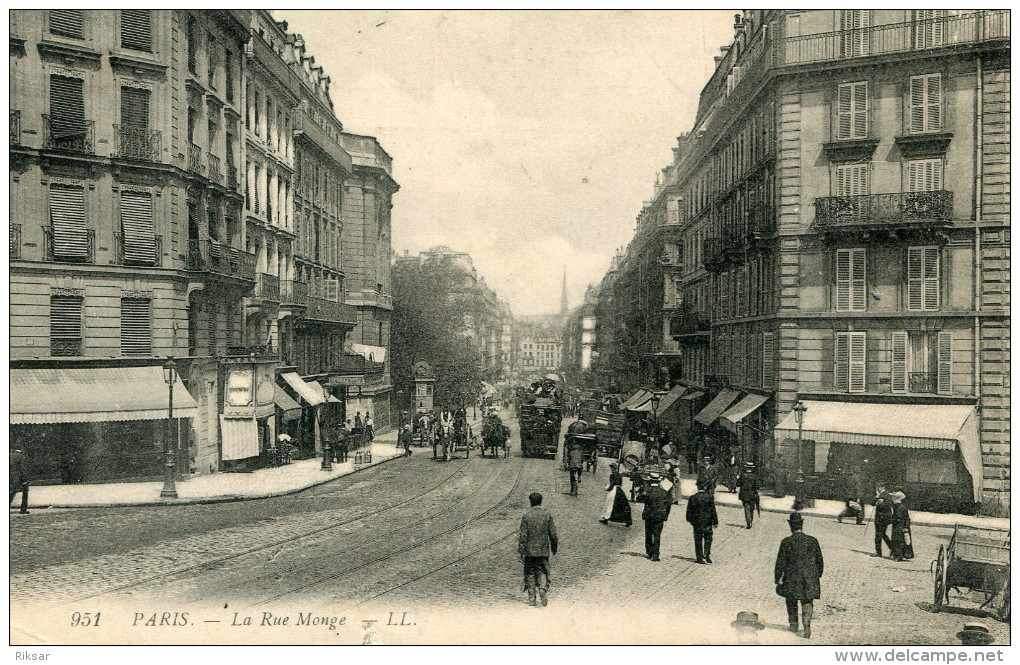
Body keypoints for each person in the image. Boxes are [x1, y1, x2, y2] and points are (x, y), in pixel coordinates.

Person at [774, 512, 824, 639]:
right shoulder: (813, 541)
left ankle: (794, 624)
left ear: (791, 526)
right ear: (802, 525)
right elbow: (820, 560)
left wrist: (777, 578)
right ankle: (806, 624)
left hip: (792, 577)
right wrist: (817, 575)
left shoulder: (786, 542)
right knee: (807, 600)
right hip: (810, 577)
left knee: (791, 599)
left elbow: (780, 562)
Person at [518, 492, 558, 607]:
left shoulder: (526, 516)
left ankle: (531, 598)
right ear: (541, 501)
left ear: (531, 502)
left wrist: (521, 551)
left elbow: (523, 536)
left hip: (529, 551)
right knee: (543, 571)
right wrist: (554, 547)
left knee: (530, 573)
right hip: (543, 550)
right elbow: (553, 535)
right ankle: (542, 589)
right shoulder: (547, 515)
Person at [686, 480, 718, 563]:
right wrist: (715, 521)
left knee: (698, 539)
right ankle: (706, 554)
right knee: (708, 538)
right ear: (705, 487)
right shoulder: (709, 497)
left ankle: (699, 557)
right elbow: (713, 510)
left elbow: (689, 511)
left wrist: (690, 520)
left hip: (697, 522)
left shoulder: (693, 498)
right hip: (707, 521)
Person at [641, 473, 672, 561]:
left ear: (650, 480)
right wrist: (665, 515)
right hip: (659, 516)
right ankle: (656, 554)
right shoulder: (664, 492)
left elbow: (640, 498)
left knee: (648, 534)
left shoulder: (647, 491)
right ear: (659, 482)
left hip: (649, 515)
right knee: (657, 535)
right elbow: (668, 504)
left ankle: (649, 551)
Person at [600, 463, 632, 527]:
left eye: (611, 468)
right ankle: (627, 521)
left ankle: (606, 518)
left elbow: (612, 485)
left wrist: (607, 489)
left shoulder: (612, 475)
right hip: (619, 490)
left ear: (612, 468)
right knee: (623, 505)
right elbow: (620, 484)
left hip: (614, 490)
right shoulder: (619, 475)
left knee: (609, 504)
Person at [872, 483, 894, 558]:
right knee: (882, 534)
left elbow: (885, 506)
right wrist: (877, 497)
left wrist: (878, 501)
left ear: (883, 487)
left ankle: (878, 552)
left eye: (879, 487)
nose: (877, 489)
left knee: (878, 535)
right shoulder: (881, 495)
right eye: (877, 487)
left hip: (882, 518)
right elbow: (872, 503)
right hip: (881, 518)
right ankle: (892, 548)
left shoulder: (886, 495)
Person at [889, 491, 912, 561]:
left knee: (899, 541)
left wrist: (891, 520)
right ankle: (897, 554)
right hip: (899, 525)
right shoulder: (897, 506)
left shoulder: (899, 507)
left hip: (900, 526)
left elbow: (899, 517)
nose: (892, 498)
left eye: (894, 497)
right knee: (897, 540)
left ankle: (899, 556)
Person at [736, 461, 760, 529]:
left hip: (744, 495)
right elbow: (758, 487)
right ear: (752, 469)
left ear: (746, 468)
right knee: (751, 508)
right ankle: (750, 521)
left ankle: (748, 522)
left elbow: (737, 484)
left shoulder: (742, 475)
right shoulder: (755, 476)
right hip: (752, 494)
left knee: (746, 508)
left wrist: (737, 478)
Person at [9, 447, 29, 514]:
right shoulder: (21, 456)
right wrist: (25, 479)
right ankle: (23, 509)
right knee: (25, 492)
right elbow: (23, 468)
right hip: (19, 477)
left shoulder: (10, 455)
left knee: (11, 492)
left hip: (11, 476)